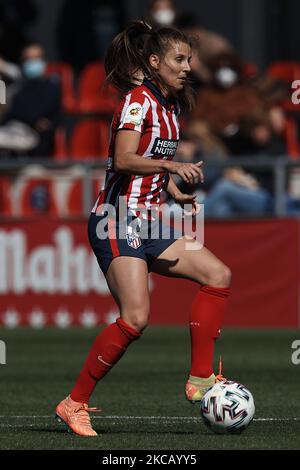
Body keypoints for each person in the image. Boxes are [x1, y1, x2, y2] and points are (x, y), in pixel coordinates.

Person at [55, 21, 231, 437]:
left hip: (150, 220)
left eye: (189, 59)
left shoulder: (169, 106)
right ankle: (74, 403)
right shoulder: (138, 101)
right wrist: (171, 166)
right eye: (179, 59)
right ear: (155, 62)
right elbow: (123, 160)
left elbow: (148, 162)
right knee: (135, 318)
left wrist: (174, 190)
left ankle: (200, 379)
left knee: (218, 275)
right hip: (116, 219)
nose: (188, 67)